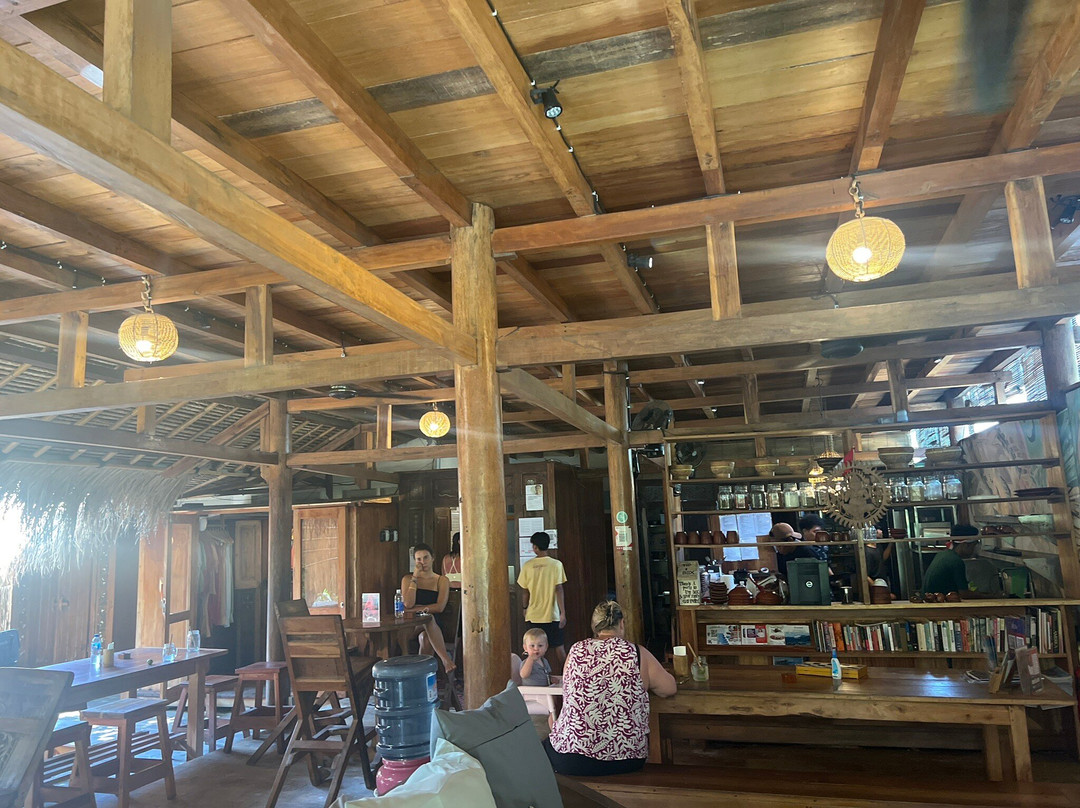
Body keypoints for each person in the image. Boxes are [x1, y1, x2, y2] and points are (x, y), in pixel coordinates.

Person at [543, 601, 676, 776]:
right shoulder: (636, 653)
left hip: (571, 758)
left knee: (546, 739)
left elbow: (569, 691)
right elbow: (669, 688)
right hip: (628, 759)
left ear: (594, 626)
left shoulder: (576, 650)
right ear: (621, 624)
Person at [400, 543, 456, 672]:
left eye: (426, 558)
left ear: (432, 558)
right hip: (411, 623)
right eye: (418, 559)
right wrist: (415, 577)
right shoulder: (407, 579)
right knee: (425, 619)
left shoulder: (441, 580)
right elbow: (407, 604)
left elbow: (440, 607)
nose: (422, 562)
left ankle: (421, 673)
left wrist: (416, 609)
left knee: (426, 632)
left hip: (434, 624)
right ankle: (445, 659)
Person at [517, 531, 568, 664]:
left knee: (533, 649)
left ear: (535, 547)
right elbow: (559, 589)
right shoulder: (556, 564)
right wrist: (562, 612)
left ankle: (534, 675)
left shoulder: (527, 566)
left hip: (533, 614)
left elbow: (525, 591)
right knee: (559, 647)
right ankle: (567, 673)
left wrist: (525, 608)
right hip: (552, 614)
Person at [922, 524, 984, 596]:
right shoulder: (956, 561)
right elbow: (964, 593)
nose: (973, 550)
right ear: (965, 545)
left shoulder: (943, 554)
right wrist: (988, 596)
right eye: (973, 546)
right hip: (938, 601)